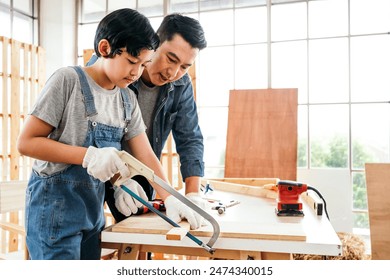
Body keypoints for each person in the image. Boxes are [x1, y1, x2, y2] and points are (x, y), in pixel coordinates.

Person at [17, 8, 202, 260]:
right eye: (132, 62)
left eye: (143, 64)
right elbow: (26, 143)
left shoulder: (126, 98)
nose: (137, 73)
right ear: (105, 48)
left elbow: (145, 153)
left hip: (92, 214)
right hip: (54, 211)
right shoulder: (68, 81)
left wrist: (169, 197)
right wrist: (88, 156)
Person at [88, 13, 207, 224]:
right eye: (171, 59)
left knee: (144, 238)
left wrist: (192, 195)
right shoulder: (108, 67)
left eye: (185, 67)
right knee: (89, 239)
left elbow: (190, 138)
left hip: (148, 173)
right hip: (97, 169)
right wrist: (119, 180)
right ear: (154, 43)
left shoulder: (182, 84)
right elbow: (90, 138)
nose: (173, 72)